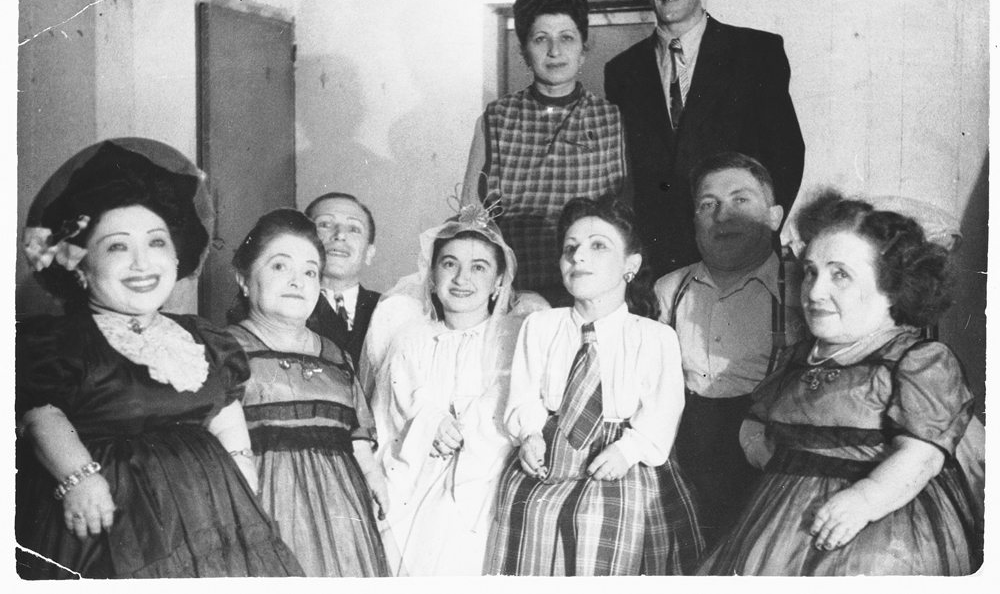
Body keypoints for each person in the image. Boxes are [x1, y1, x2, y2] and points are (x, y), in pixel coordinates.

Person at [15, 139, 303, 578]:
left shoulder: (204, 339)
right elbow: (41, 416)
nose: (142, 262)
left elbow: (224, 411)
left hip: (213, 516)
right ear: (81, 266)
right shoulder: (58, 341)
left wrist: (242, 469)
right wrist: (79, 478)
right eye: (117, 247)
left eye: (156, 242)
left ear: (176, 255)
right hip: (107, 522)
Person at [700, 190, 983, 575]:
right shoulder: (799, 358)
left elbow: (922, 456)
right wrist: (766, 452)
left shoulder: (917, 362)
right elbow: (758, 419)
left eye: (840, 275)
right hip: (779, 518)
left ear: (893, 288)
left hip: (880, 526)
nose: (814, 291)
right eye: (811, 272)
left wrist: (865, 500)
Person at [487, 196, 703, 576]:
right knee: (530, 515)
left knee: (607, 527)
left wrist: (628, 450)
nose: (578, 256)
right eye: (570, 248)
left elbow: (663, 411)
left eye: (598, 246)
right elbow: (524, 394)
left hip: (621, 460)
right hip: (551, 454)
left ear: (630, 266)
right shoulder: (540, 325)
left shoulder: (654, 337)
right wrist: (530, 436)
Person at [605, 0, 804, 279]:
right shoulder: (622, 70)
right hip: (658, 260)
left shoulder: (756, 52)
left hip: (742, 254)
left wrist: (754, 234)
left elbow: (786, 155)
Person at [227, 208, 390, 577]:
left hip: (342, 513)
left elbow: (357, 433)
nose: (297, 281)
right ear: (244, 279)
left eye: (310, 271)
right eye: (279, 266)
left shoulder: (336, 356)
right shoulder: (224, 350)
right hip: (261, 507)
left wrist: (373, 477)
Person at [654, 152, 806, 545]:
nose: (722, 216)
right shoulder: (669, 290)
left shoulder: (803, 289)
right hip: (684, 452)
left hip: (764, 456)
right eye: (708, 204)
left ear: (774, 217)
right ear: (694, 222)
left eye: (740, 200)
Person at [373, 204, 525, 576]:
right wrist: (429, 423)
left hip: (487, 478)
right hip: (416, 472)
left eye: (479, 267)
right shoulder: (411, 340)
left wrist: (463, 429)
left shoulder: (513, 339)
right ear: (431, 276)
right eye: (449, 264)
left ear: (499, 282)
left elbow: (513, 408)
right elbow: (388, 416)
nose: (461, 278)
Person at [462, 0, 628, 306]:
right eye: (541, 39)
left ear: (583, 49)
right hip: (512, 293)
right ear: (524, 51)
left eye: (566, 38)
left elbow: (625, 215)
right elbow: (471, 210)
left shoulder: (613, 119)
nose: (554, 51)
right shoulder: (495, 118)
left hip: (590, 290)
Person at [303, 192, 380, 374]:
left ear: (369, 253)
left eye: (353, 229)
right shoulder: (282, 303)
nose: (339, 235)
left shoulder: (388, 309)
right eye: (325, 225)